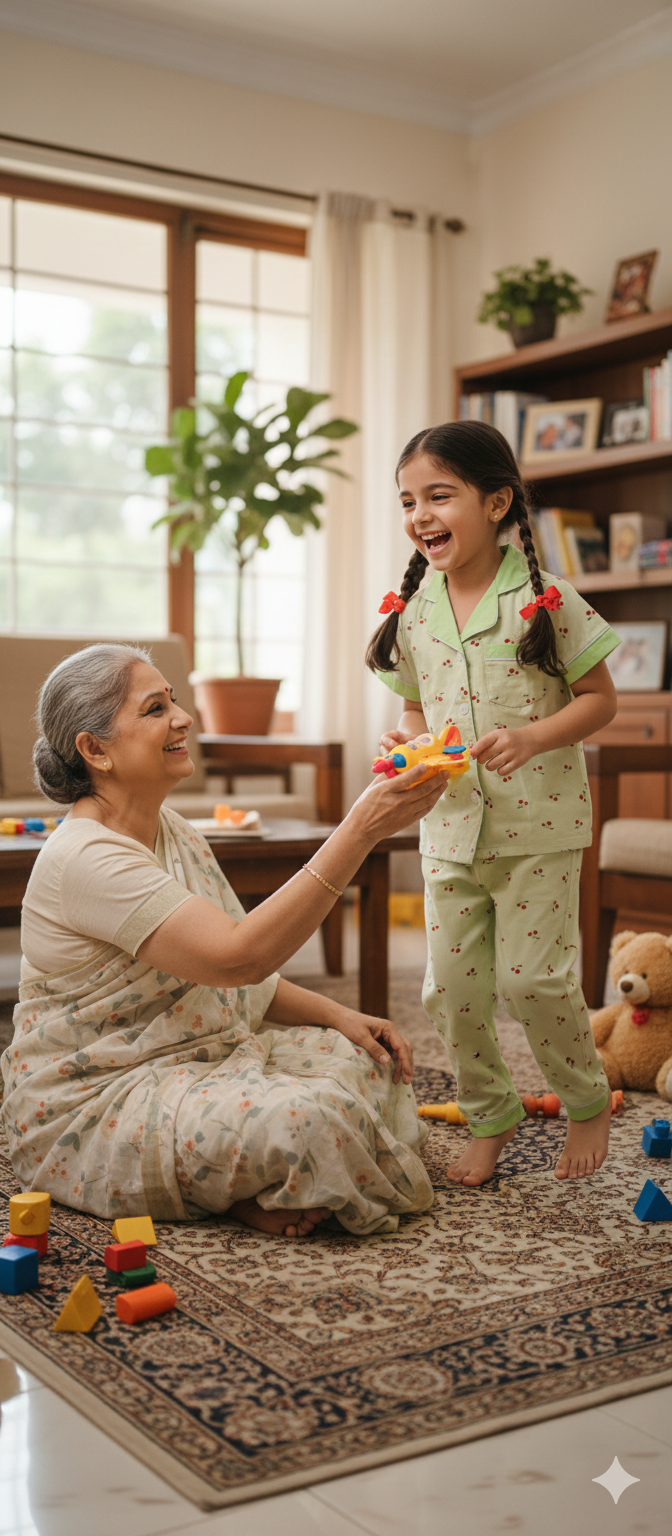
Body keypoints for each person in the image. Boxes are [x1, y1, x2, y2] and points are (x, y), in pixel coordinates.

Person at [1, 644, 448, 1238]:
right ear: (95, 750)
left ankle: (231, 1183)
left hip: (201, 1062)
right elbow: (240, 957)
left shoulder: (173, 830)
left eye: (175, 701)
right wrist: (360, 829)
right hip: (97, 1099)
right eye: (156, 709)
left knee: (366, 1062)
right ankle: (226, 1188)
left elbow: (241, 983)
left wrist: (341, 1016)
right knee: (304, 1121)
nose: (183, 718)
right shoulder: (85, 858)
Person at [366, 420, 621, 1188]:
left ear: (497, 502)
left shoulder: (548, 599)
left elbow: (601, 699)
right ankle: (490, 1116)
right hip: (448, 827)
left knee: (531, 981)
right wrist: (410, 743)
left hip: (537, 824)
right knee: (449, 991)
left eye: (439, 496)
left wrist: (535, 736)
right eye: (408, 501)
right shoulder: (416, 611)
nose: (420, 515)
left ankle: (586, 1099)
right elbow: (417, 707)